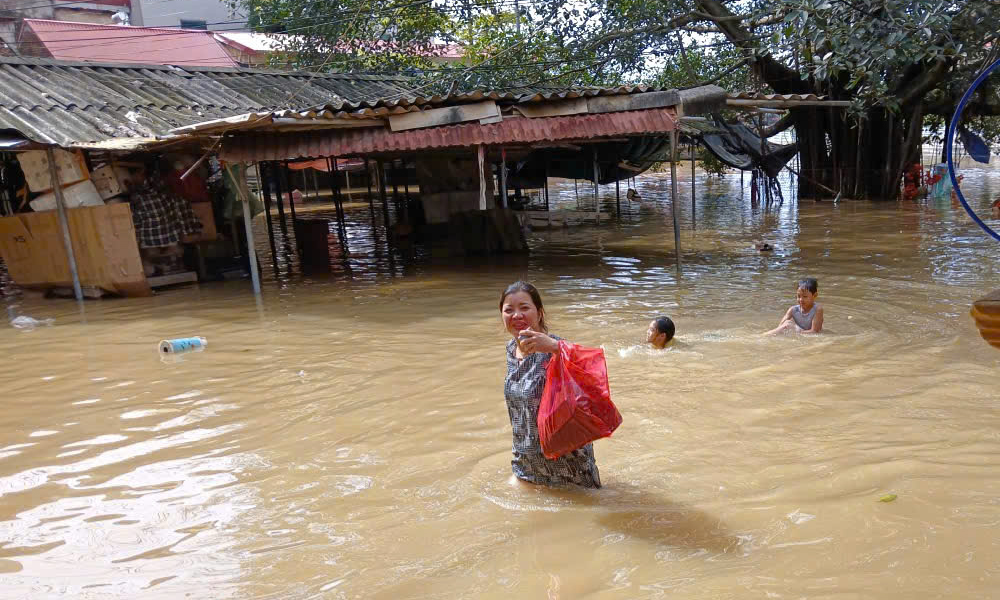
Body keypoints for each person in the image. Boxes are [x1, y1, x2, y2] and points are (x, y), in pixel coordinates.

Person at [500, 281, 601, 489]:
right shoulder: (511, 350)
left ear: (539, 313)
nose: (516, 315)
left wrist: (556, 348)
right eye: (509, 310)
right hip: (526, 464)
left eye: (524, 308)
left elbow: (593, 371)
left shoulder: (555, 348)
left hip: (567, 465)